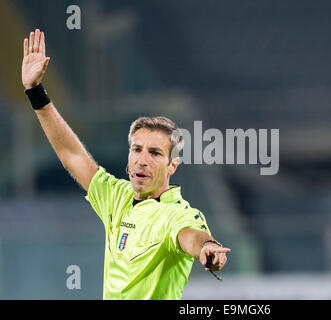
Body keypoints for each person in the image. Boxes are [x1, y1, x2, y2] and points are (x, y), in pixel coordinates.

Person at [21, 29, 230, 300]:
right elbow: (71, 154)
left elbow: (192, 237)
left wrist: (208, 249)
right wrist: (35, 92)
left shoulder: (175, 214)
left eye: (155, 153)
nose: (142, 159)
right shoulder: (116, 197)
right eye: (137, 149)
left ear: (172, 166)